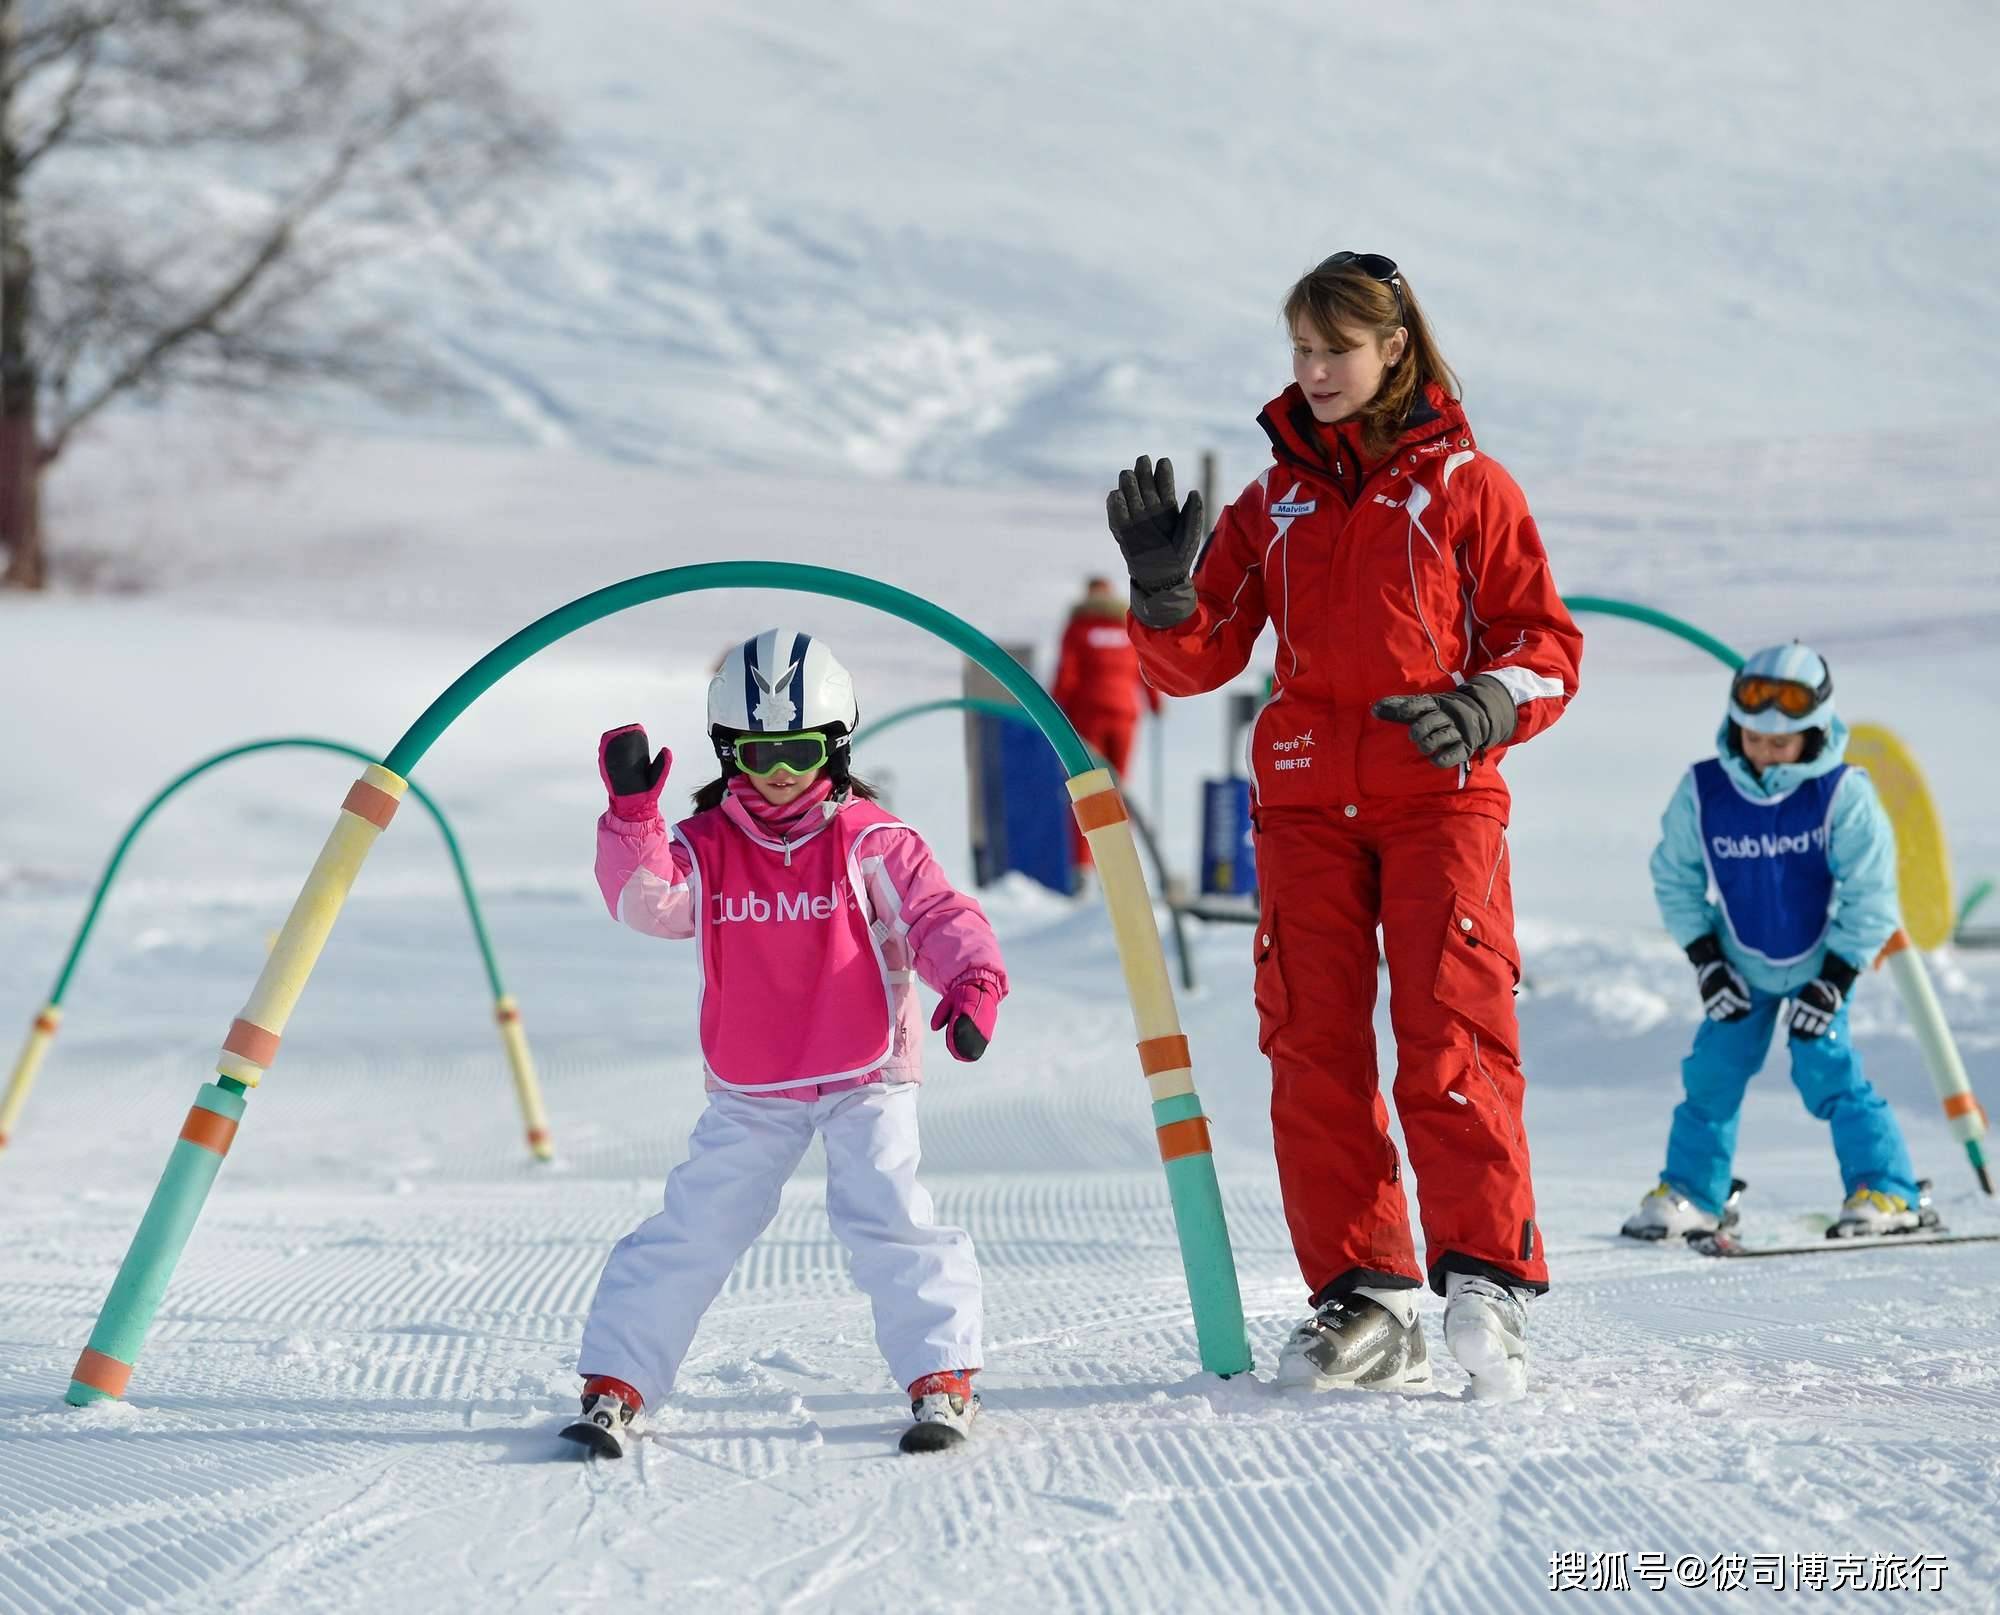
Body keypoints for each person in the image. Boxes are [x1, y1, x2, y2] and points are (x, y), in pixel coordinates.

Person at [1104, 252, 1582, 1401]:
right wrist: (1165, 592)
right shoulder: (1273, 503)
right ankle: (1365, 1293)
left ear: (1392, 349)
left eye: (1335, 350)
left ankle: (1485, 1281)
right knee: (1309, 1044)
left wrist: (1479, 705)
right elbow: (1196, 659)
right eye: (1299, 351)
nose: (1313, 371)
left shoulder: (1473, 490)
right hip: (1308, 801)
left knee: (1449, 1029)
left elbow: (1544, 648)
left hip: (1436, 793)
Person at [567, 628, 1008, 1457]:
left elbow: (937, 914)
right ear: (728, 749)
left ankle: (941, 1374)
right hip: (755, 1079)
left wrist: (973, 980)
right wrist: (634, 818)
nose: (778, 770)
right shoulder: (702, 846)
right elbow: (646, 902)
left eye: (798, 750)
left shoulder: (872, 839)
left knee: (887, 1212)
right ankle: (617, 1380)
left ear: (835, 746)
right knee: (696, 1222)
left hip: (865, 1069)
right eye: (759, 750)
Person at [1623, 642, 1920, 1242]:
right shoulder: (1704, 790)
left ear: (1812, 735)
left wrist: (1835, 979)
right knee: (1713, 1075)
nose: (1763, 753)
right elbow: (1675, 877)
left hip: (1819, 965)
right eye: (1752, 738)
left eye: (1780, 743)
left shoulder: (1842, 794)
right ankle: (1693, 1192)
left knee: (1829, 1071)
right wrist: (1707, 962)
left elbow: (1871, 893)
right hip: (1738, 964)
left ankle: (1886, 1190)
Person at [1050, 575, 1163, 868]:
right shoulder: (1127, 627)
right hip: (1125, 715)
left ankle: (1085, 863)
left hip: (1088, 717)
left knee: (1087, 789)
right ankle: (1120, 863)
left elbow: (1067, 676)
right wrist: (1155, 703)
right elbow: (1147, 669)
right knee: (1118, 787)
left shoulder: (1078, 628)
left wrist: (1052, 709)